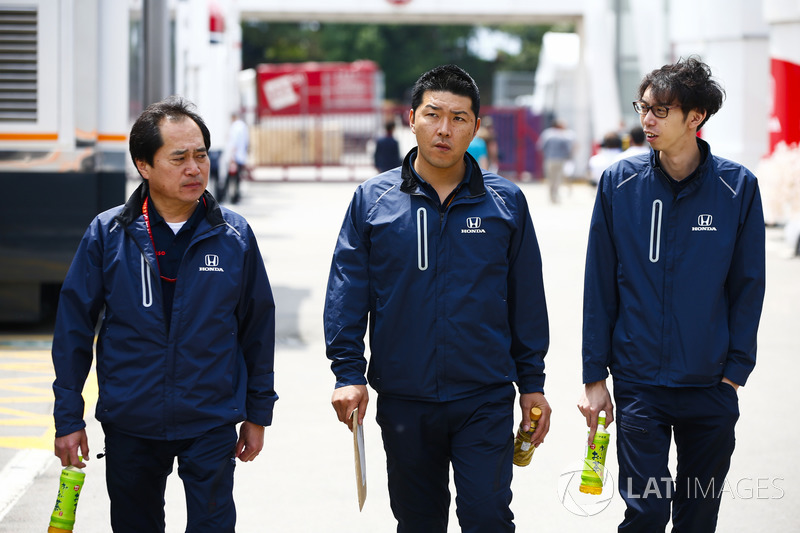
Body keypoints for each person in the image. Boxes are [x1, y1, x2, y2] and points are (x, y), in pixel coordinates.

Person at [324, 64, 551, 532]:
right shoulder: (373, 200)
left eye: (459, 118)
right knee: (418, 521)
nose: (444, 129)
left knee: (487, 516)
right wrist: (348, 373)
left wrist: (532, 383)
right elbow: (348, 290)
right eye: (433, 114)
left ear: (475, 126)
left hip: (484, 395)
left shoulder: (506, 203)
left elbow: (526, 298)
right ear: (411, 118)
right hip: (406, 397)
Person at [51, 96, 277, 533]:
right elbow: (74, 329)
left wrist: (257, 413)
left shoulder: (234, 236)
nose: (194, 168)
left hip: (209, 419)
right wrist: (68, 418)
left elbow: (257, 328)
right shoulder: (108, 233)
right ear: (144, 166)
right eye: (179, 158)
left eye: (201, 155)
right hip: (130, 420)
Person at [578, 57, 766, 532]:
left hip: (711, 385)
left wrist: (735, 373)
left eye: (661, 110)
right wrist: (594, 376)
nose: (647, 120)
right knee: (646, 512)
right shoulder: (620, 183)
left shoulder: (736, 187)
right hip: (640, 384)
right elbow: (598, 283)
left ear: (695, 117)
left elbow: (748, 285)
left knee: (698, 514)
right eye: (644, 107)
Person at [536, 118, 575, 203]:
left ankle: (551, 196)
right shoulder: (563, 135)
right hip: (561, 160)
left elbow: (540, 146)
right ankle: (556, 196)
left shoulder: (547, 133)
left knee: (550, 179)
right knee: (558, 179)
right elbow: (568, 148)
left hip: (549, 159)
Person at [220, 112, 249, 204]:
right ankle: (235, 197)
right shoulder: (243, 126)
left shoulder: (235, 127)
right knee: (237, 179)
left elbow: (234, 143)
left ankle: (226, 197)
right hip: (241, 156)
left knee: (230, 179)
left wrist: (232, 157)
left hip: (235, 157)